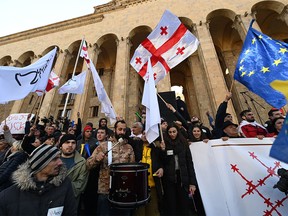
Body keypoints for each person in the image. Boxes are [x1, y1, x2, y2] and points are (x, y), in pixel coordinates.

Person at [0, 144, 77, 215]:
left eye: (59, 158)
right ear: (40, 164)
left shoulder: (64, 185)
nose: (60, 162)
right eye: (54, 159)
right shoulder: (7, 196)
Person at [86, 120, 135, 216]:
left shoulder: (129, 147)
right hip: (105, 191)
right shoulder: (104, 146)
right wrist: (96, 159)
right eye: (120, 129)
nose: (122, 132)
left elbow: (132, 168)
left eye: (124, 130)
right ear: (115, 130)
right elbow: (88, 165)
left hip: (123, 191)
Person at [160, 123, 197, 216]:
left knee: (184, 205)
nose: (172, 134)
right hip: (170, 180)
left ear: (177, 132)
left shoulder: (184, 144)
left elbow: (189, 163)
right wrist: (163, 150)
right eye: (170, 132)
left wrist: (192, 183)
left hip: (182, 179)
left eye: (174, 132)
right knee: (172, 206)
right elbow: (164, 162)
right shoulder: (165, 144)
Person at [134, 131, 164, 216]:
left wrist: (161, 168)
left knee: (153, 211)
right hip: (139, 186)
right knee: (140, 212)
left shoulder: (156, 149)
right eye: (143, 134)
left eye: (147, 134)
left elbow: (162, 162)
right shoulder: (136, 147)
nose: (145, 136)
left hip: (152, 186)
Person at [59, 134, 88, 208]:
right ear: (61, 145)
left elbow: (80, 184)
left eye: (73, 143)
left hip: (71, 202)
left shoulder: (81, 162)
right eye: (67, 142)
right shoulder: (53, 159)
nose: (70, 145)